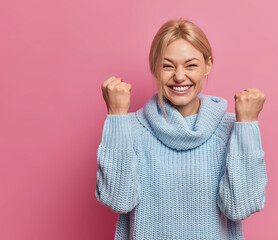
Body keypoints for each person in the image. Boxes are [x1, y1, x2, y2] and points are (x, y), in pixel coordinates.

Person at [95, 18, 267, 240]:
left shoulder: (233, 129)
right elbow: (118, 200)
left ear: (208, 65)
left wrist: (247, 126)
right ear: (154, 68)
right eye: (168, 65)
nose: (179, 76)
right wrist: (116, 117)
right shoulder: (130, 128)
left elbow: (241, 207)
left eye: (191, 65)